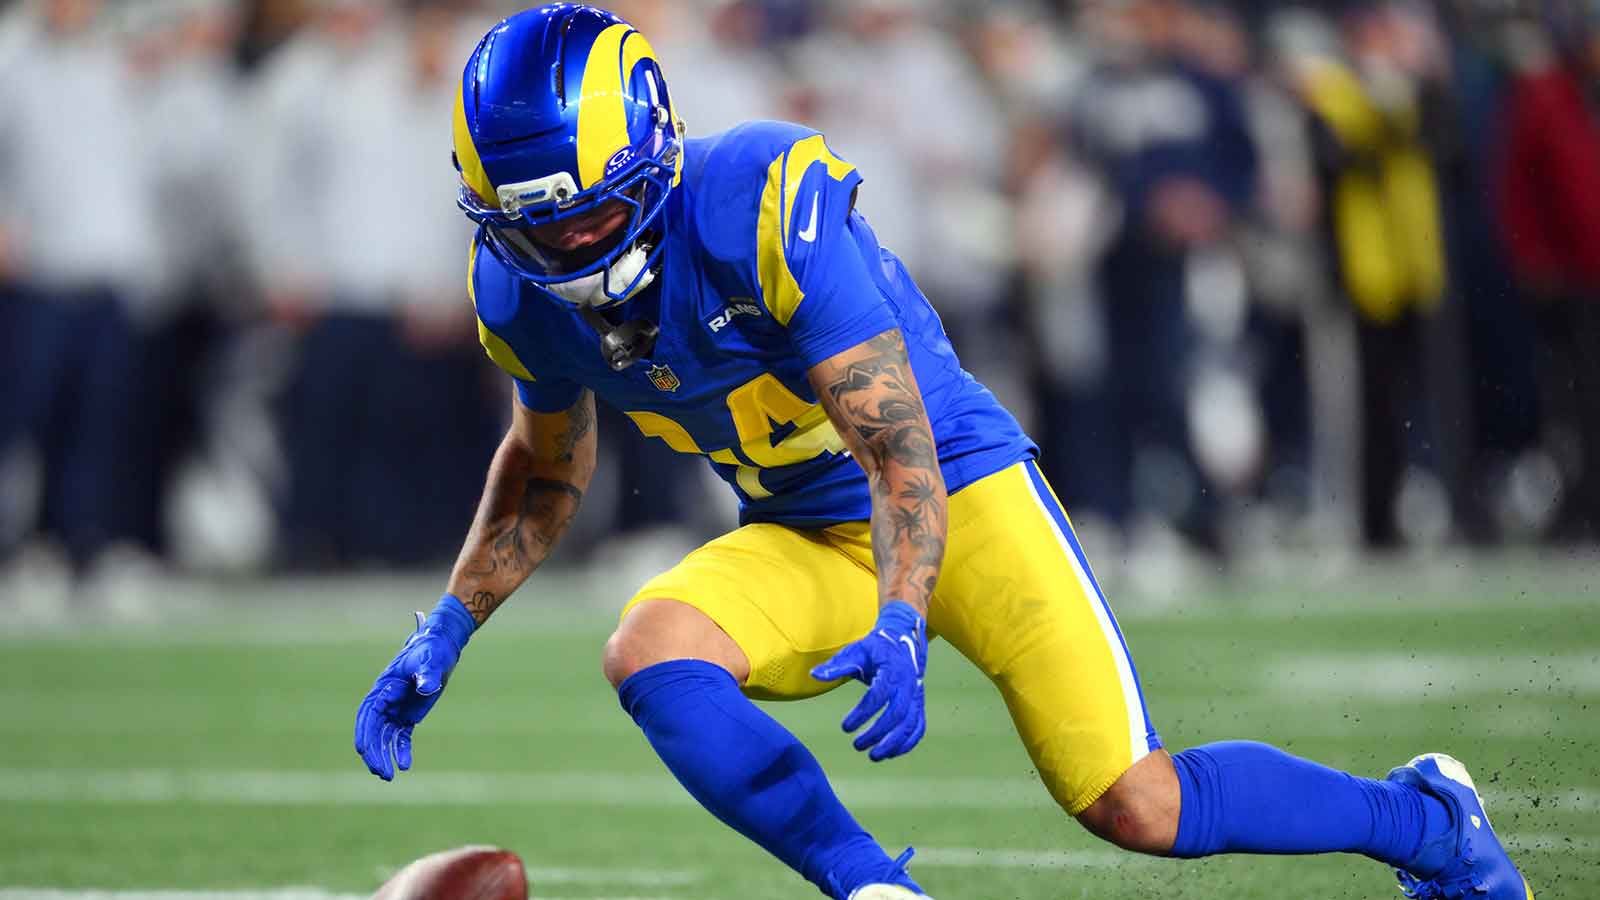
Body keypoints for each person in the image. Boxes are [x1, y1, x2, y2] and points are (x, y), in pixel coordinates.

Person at [353, 7, 1533, 900]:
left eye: (584, 213)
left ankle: (1422, 818)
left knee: (1134, 800)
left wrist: (905, 618)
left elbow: (898, 445)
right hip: (802, 530)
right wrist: (446, 626)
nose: (557, 245)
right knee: (652, 648)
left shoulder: (761, 200)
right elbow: (547, 463)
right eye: (525, 221)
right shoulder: (519, 291)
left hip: (954, 491)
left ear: (651, 158)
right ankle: (876, 888)